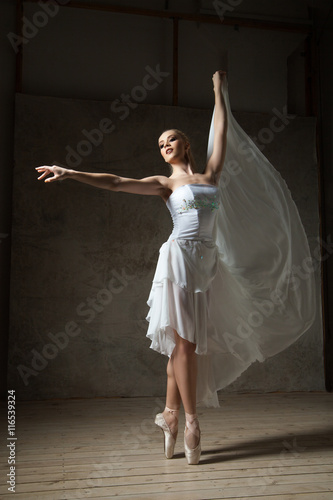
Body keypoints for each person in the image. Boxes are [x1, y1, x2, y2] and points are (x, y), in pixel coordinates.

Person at [36, 70, 316, 466]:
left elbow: (219, 134)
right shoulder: (164, 184)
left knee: (184, 348)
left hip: (208, 264)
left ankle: (168, 416)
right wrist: (70, 172)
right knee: (185, 344)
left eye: (171, 140)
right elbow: (116, 182)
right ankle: (192, 423)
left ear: (186, 144)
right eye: (160, 143)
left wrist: (219, 92)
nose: (164, 145)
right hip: (180, 259)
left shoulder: (210, 176)